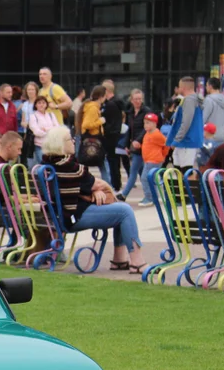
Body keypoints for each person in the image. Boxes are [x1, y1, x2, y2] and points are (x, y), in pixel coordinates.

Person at [39, 126, 147, 274]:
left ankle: (119, 260)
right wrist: (95, 188)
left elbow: (90, 185)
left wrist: (93, 188)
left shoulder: (47, 164)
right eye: (69, 139)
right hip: (71, 218)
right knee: (125, 211)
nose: (73, 141)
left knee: (117, 209)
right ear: (60, 144)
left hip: (57, 217)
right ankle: (137, 261)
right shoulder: (69, 167)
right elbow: (100, 184)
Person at [119, 89, 152, 204]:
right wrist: (127, 144)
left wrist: (138, 141)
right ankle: (151, 194)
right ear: (132, 100)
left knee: (133, 171)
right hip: (135, 145)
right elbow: (129, 129)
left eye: (140, 99)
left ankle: (124, 195)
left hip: (144, 144)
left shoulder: (146, 111)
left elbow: (146, 128)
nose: (138, 101)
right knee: (142, 171)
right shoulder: (130, 112)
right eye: (136, 99)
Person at [165, 76, 203, 170]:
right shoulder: (192, 100)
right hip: (185, 141)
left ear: (184, 88)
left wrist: (176, 140)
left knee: (185, 170)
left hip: (187, 141)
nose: (178, 89)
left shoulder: (189, 100)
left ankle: (186, 185)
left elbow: (186, 122)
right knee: (178, 168)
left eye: (179, 87)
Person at [80, 85, 109, 183]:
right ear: (101, 96)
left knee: (100, 164)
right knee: (103, 165)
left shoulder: (93, 106)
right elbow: (87, 124)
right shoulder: (93, 108)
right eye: (105, 96)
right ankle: (108, 186)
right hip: (93, 138)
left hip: (93, 138)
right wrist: (100, 121)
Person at [139, 113, 168, 205]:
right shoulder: (148, 133)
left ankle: (149, 197)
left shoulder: (157, 135)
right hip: (148, 160)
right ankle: (153, 197)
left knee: (145, 178)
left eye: (148, 123)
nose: (145, 125)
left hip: (154, 160)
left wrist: (163, 155)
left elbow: (166, 144)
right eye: (145, 123)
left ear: (155, 124)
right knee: (152, 179)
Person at [101, 80, 124, 191]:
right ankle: (116, 183)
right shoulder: (117, 103)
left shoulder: (110, 104)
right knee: (115, 161)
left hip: (110, 136)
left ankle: (114, 184)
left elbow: (109, 121)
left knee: (112, 161)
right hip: (116, 134)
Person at [202, 77, 224, 145]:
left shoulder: (209, 100)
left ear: (210, 86)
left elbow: (203, 118)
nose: (206, 87)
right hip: (222, 134)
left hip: (210, 134)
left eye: (206, 85)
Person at [28, 96, 55, 163]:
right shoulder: (33, 116)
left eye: (43, 103)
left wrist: (45, 129)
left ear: (46, 104)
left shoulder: (51, 115)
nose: (41, 105)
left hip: (52, 146)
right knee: (43, 165)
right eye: (39, 103)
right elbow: (37, 132)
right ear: (36, 105)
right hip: (40, 146)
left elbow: (57, 129)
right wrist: (50, 130)